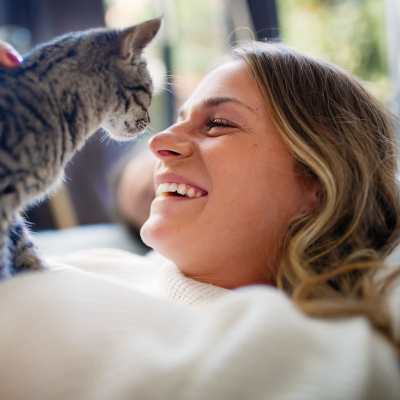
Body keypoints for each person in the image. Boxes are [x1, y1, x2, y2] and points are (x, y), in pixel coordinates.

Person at [0, 39, 399, 399]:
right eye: (179, 118)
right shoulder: (99, 266)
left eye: (219, 123)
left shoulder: (321, 357)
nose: (157, 143)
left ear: (320, 179)